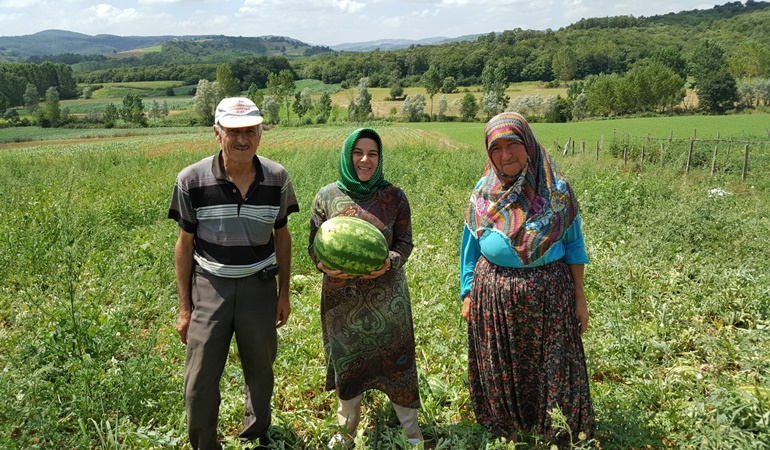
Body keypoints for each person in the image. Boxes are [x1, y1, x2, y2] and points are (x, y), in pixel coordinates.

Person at [168, 97, 299, 450]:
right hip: (210, 287)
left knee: (261, 370)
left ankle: (255, 436)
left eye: (250, 131)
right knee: (199, 380)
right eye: (233, 131)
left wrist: (284, 293)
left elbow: (282, 237)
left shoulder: (277, 177)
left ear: (260, 133)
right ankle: (204, 444)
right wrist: (185, 308)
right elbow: (184, 244)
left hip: (259, 285)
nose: (242, 139)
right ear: (217, 133)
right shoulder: (191, 179)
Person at [460, 112, 595, 446]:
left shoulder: (557, 193)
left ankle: (557, 430)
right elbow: (470, 247)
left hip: (550, 294)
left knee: (554, 364)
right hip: (493, 295)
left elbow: (574, 246)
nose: (505, 155)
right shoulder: (483, 193)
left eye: (513, 145)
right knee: (500, 362)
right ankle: (506, 428)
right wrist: (467, 293)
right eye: (496, 148)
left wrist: (580, 298)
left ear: (529, 145)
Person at [308, 128, 423, 448]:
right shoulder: (326, 196)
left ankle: (411, 432)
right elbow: (314, 245)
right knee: (348, 365)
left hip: (388, 301)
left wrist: (390, 262)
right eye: (358, 152)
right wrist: (322, 264)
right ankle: (347, 429)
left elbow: (405, 243)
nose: (365, 160)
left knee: (397, 364)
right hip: (342, 302)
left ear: (379, 158)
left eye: (372, 154)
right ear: (348, 156)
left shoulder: (394, 197)